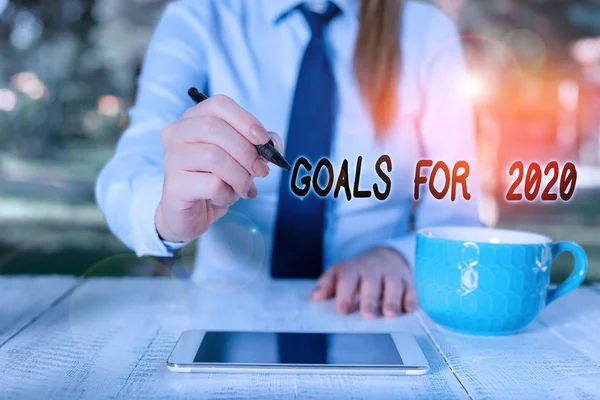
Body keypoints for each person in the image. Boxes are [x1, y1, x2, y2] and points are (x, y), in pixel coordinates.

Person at [96, 0, 481, 321]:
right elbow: (131, 166)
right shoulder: (200, 17)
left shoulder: (427, 32)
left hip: (374, 312)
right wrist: (166, 212)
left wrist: (400, 257)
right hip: (224, 314)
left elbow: (456, 215)